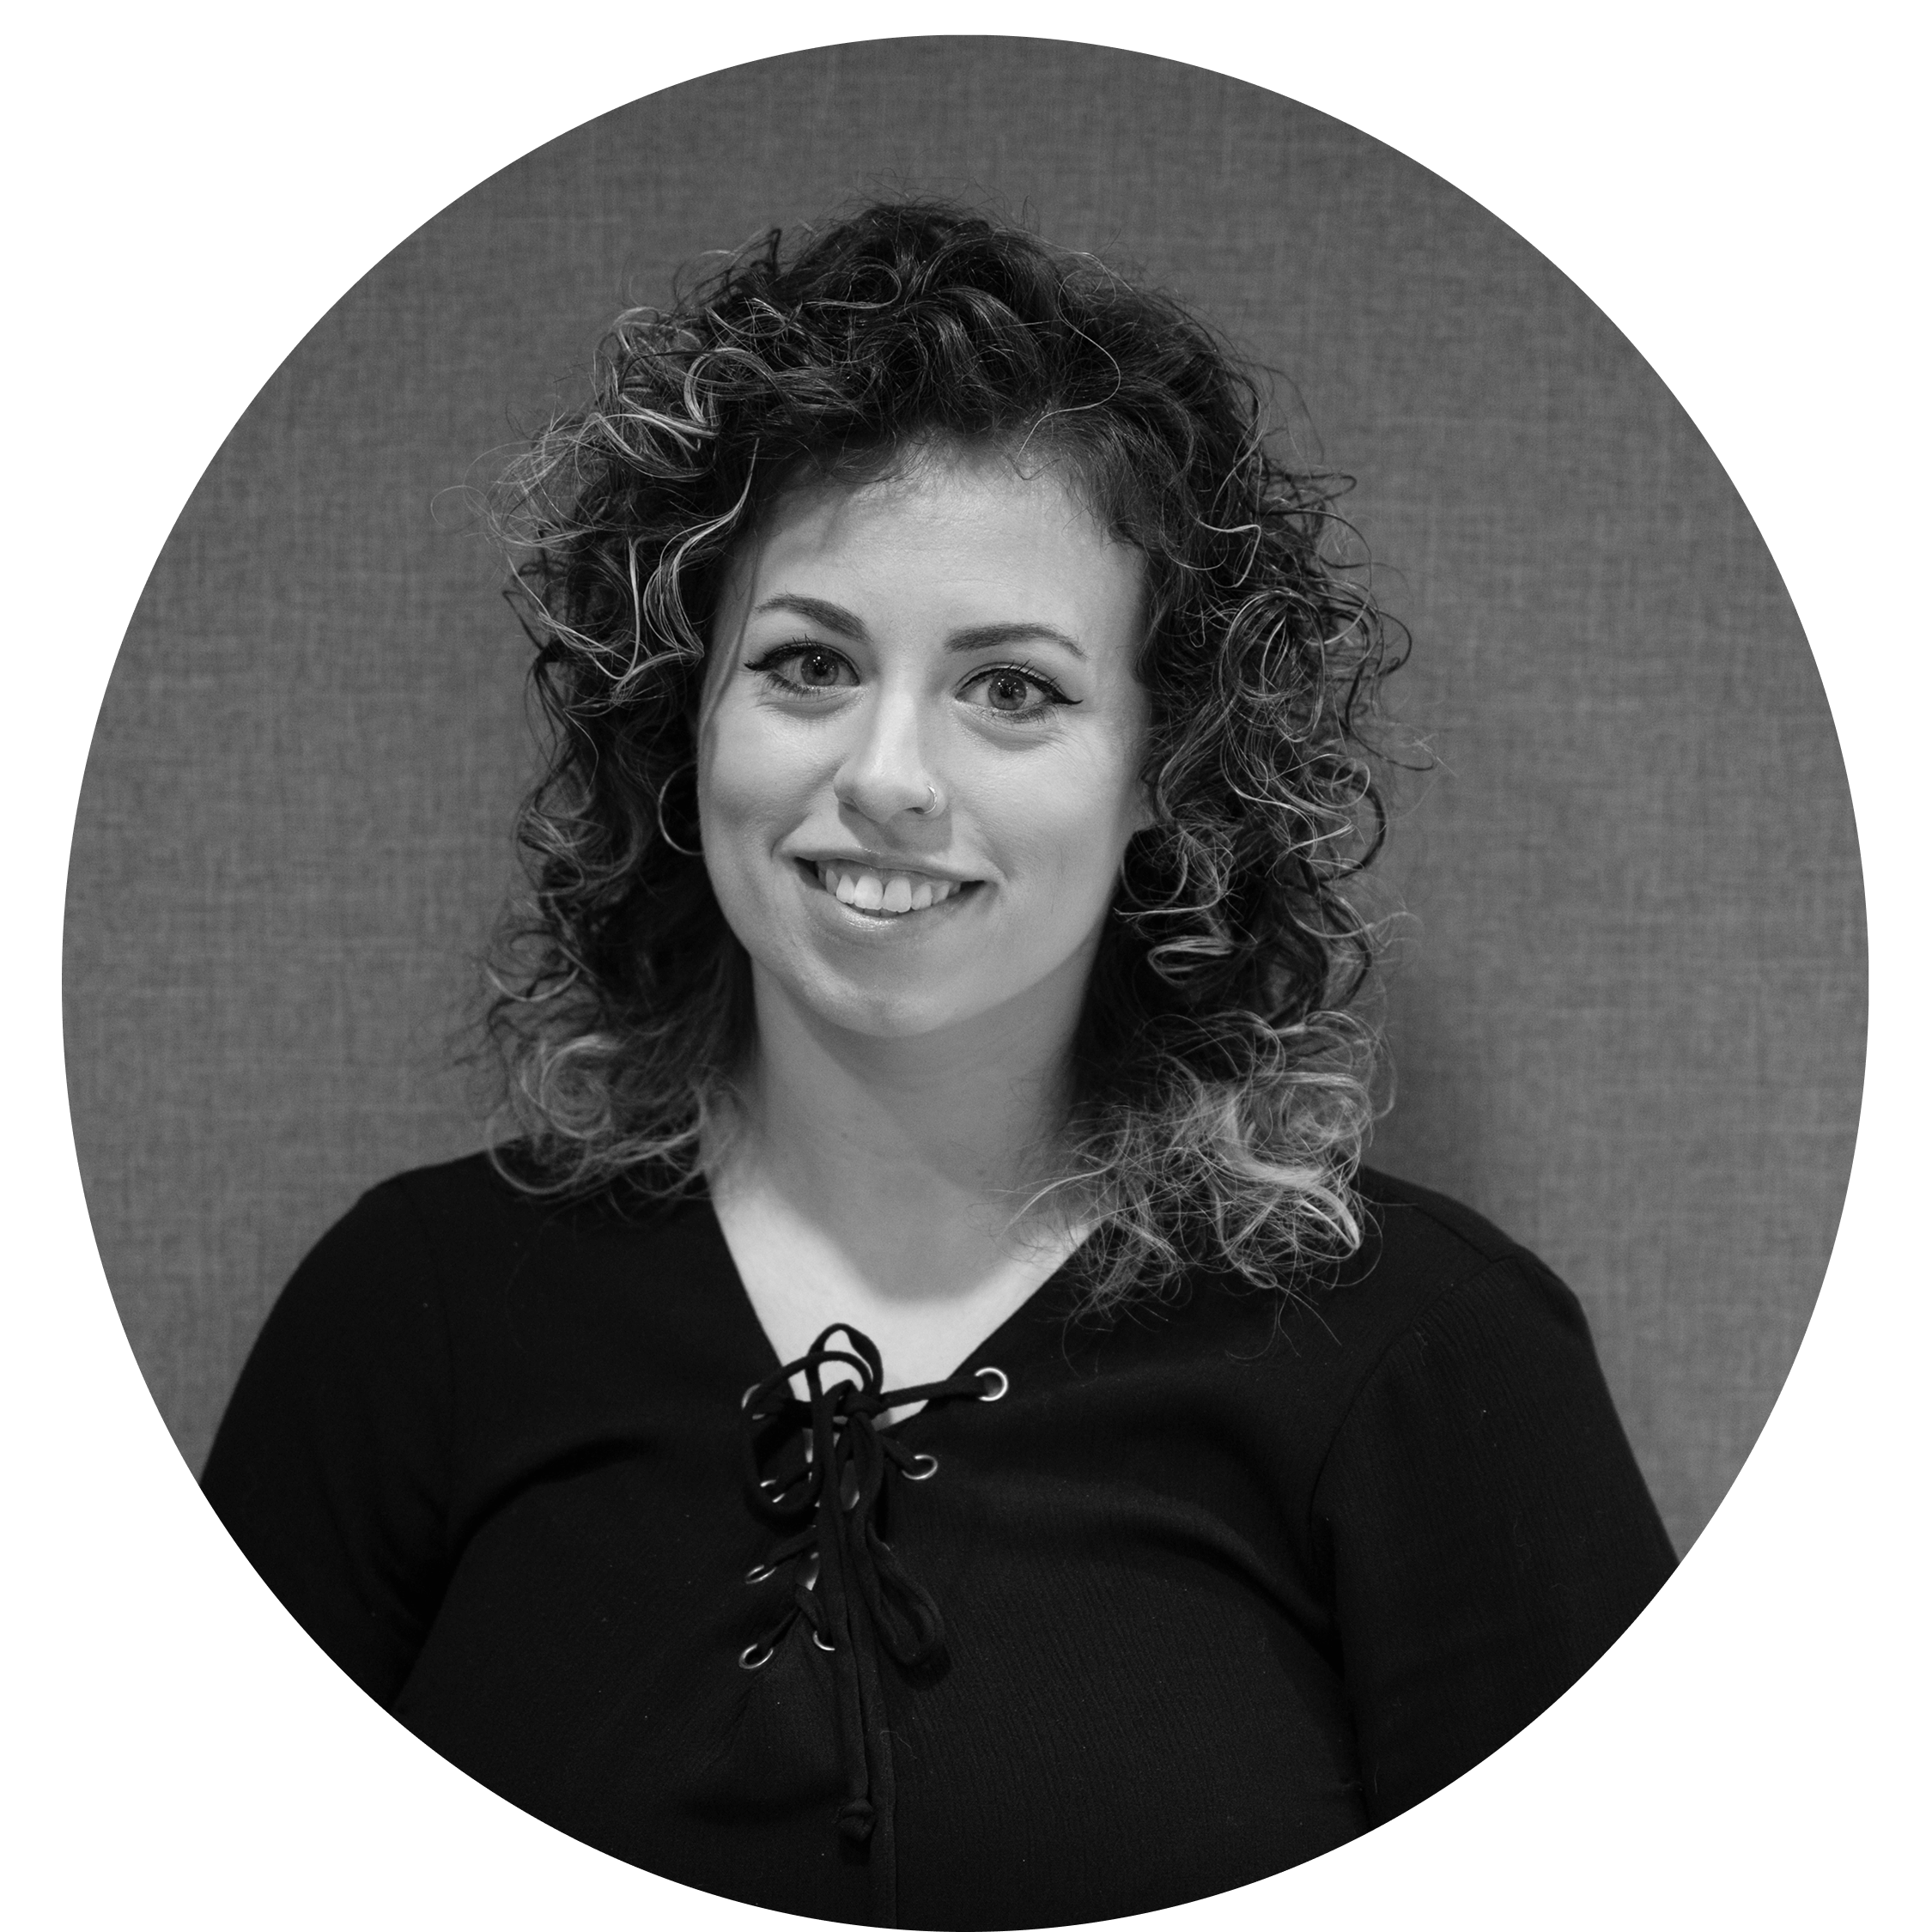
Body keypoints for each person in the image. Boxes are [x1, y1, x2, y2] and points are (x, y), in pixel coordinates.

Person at [202, 200, 1676, 1929]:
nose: (891, 772)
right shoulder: (412, 1314)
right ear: (689, 727)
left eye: (1017, 693)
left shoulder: (1430, 1354)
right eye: (810, 665)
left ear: (1162, 784)